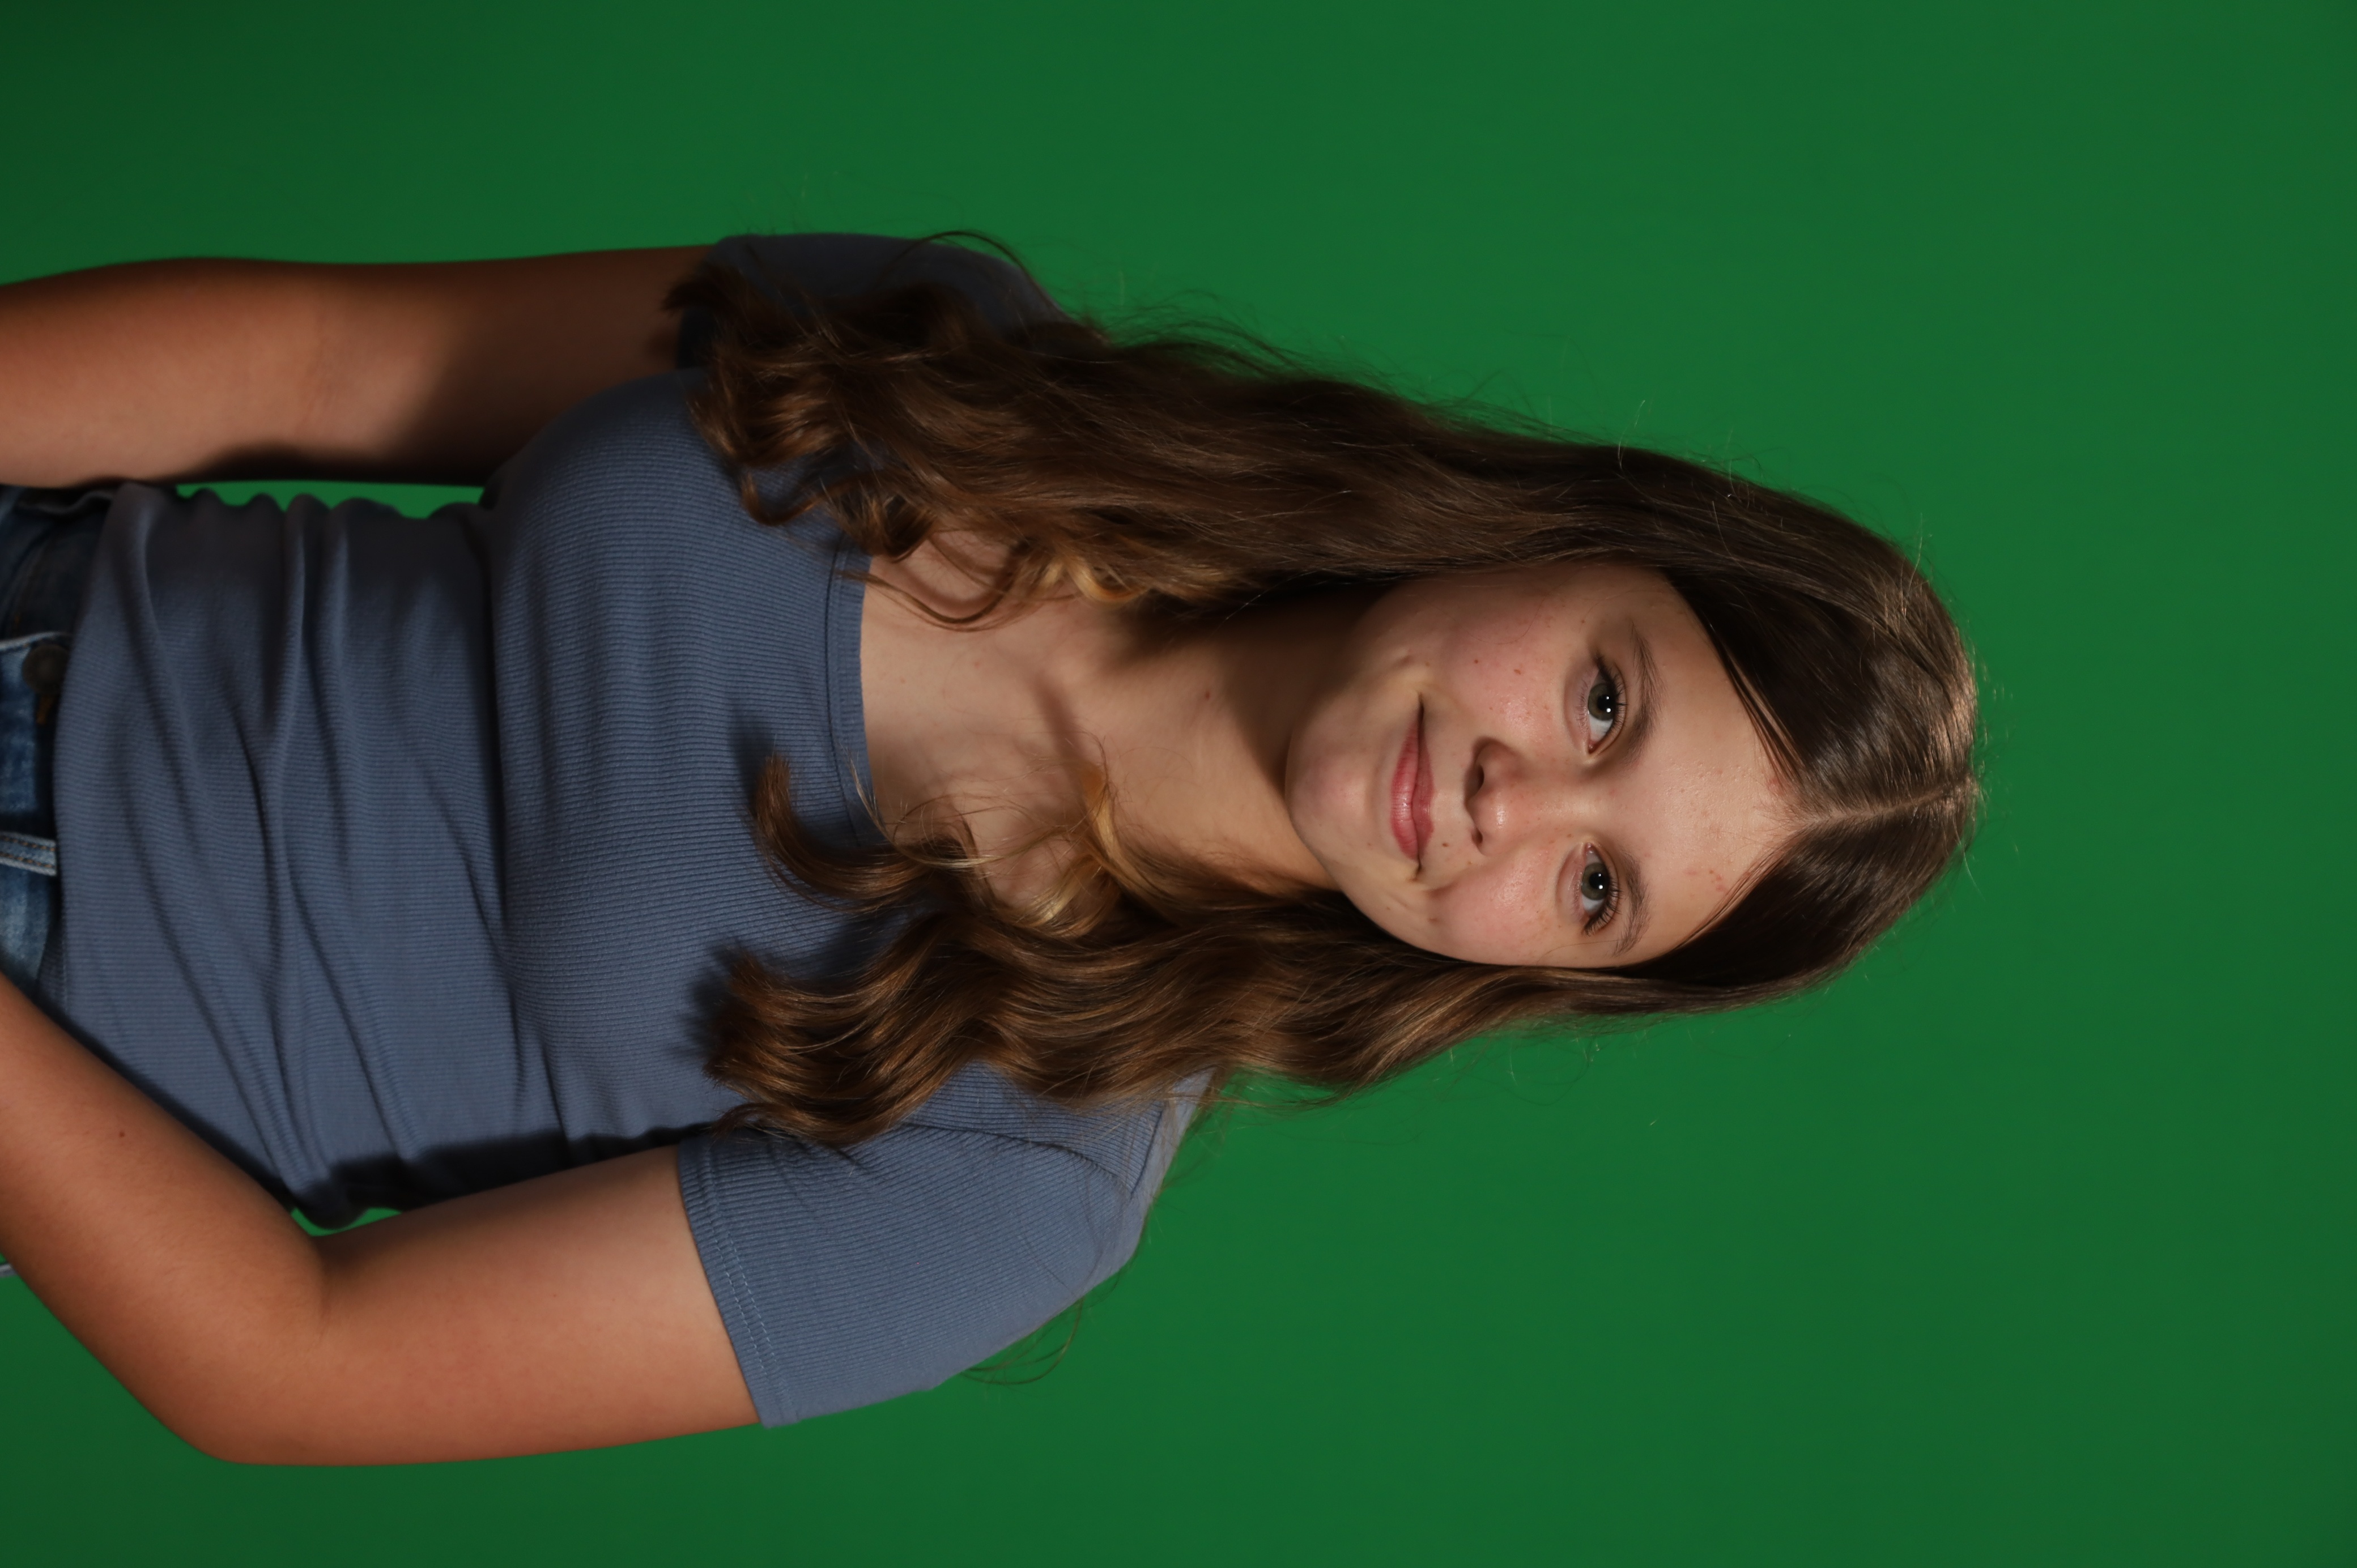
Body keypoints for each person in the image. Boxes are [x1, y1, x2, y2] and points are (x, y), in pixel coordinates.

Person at [0, 234, 1978, 1464]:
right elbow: (329, 361)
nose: (1510, 805)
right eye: (1607, 702)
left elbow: (298, 1361)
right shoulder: (977, 367)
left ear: (1545, 971)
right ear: (1572, 540)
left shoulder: (1019, 1185)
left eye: (1597, 889)